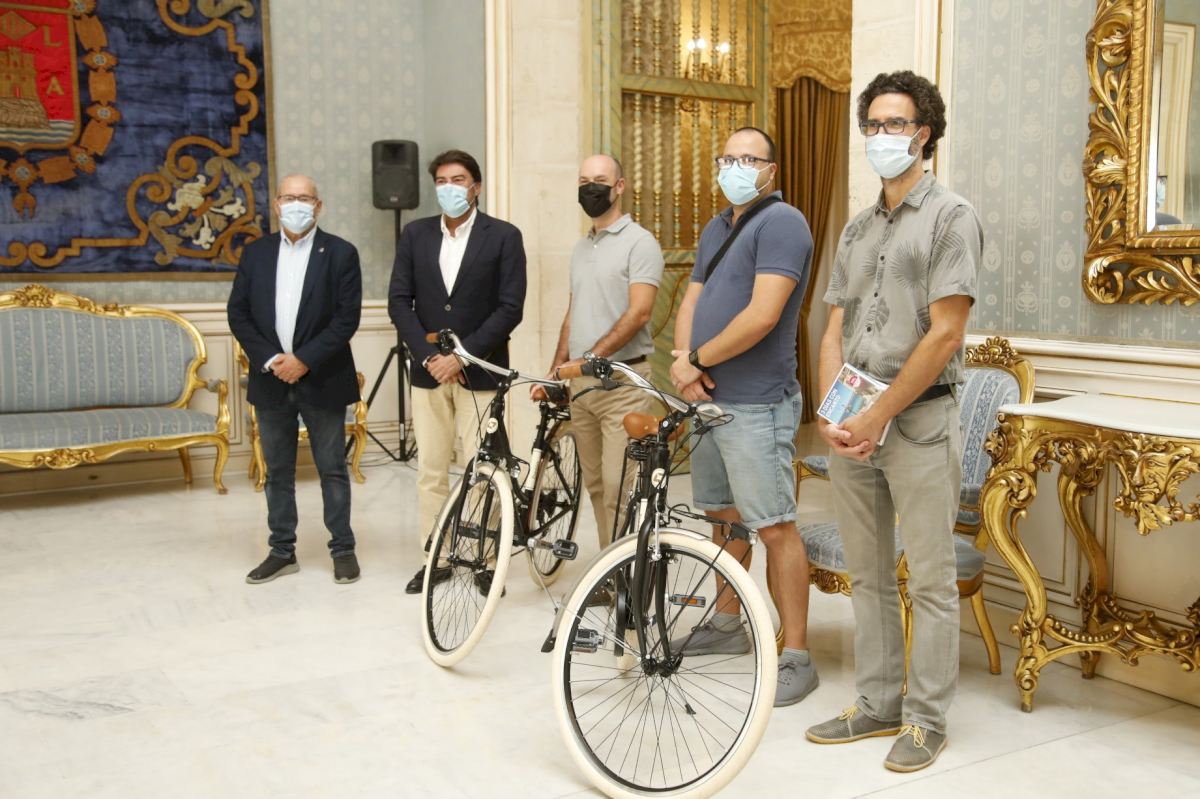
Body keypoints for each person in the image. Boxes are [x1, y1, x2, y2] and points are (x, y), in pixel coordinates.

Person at [805, 70, 981, 773]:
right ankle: (876, 702)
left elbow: (946, 333)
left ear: (923, 133)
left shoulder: (951, 216)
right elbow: (834, 327)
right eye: (872, 124)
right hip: (855, 423)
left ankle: (926, 719)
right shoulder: (856, 227)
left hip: (920, 422)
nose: (881, 135)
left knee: (930, 579)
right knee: (869, 573)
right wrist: (834, 413)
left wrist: (878, 414)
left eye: (895, 124)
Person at [669, 126, 817, 707]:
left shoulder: (782, 223)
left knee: (774, 524)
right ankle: (728, 624)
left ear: (771, 171)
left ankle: (797, 653)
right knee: (723, 516)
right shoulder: (718, 226)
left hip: (757, 401)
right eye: (727, 158)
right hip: (709, 397)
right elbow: (691, 299)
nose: (735, 168)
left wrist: (697, 360)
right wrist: (684, 361)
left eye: (748, 159)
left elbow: (762, 315)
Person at [388, 149, 526, 596]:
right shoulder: (415, 234)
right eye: (442, 181)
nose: (449, 188)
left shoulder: (503, 236)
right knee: (430, 470)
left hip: (480, 373)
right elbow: (399, 302)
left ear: (476, 187)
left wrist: (462, 357)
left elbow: (510, 308)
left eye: (458, 180)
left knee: (484, 469)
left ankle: (486, 561)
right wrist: (429, 356)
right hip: (428, 372)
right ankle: (437, 557)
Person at [228, 174, 363, 585]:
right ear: (276, 204)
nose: (297, 204)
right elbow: (238, 314)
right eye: (289, 197)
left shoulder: (340, 253)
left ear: (318, 206)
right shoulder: (256, 253)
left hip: (323, 378)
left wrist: (303, 360)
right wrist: (273, 360)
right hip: (271, 380)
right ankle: (282, 551)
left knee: (332, 469)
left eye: (305, 198)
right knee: (277, 472)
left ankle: (343, 549)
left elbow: (346, 319)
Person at [539, 154, 664, 547]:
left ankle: (625, 573)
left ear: (619, 187)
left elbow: (640, 312)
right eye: (583, 181)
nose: (590, 188)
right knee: (594, 485)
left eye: (599, 180)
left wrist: (589, 359)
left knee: (619, 489)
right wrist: (557, 370)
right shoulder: (581, 248)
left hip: (622, 384)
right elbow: (572, 313)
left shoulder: (640, 243)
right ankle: (609, 567)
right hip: (581, 387)